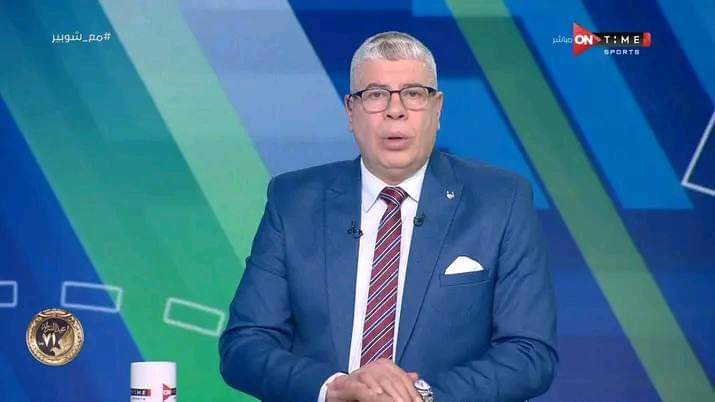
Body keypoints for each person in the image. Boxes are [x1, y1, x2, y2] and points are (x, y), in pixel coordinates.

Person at [219, 31, 557, 402]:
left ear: (437, 109)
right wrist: (334, 388)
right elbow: (244, 346)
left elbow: (530, 354)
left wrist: (417, 396)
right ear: (351, 112)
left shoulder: (501, 201)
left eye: (413, 93)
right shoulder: (294, 201)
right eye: (376, 94)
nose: (395, 110)